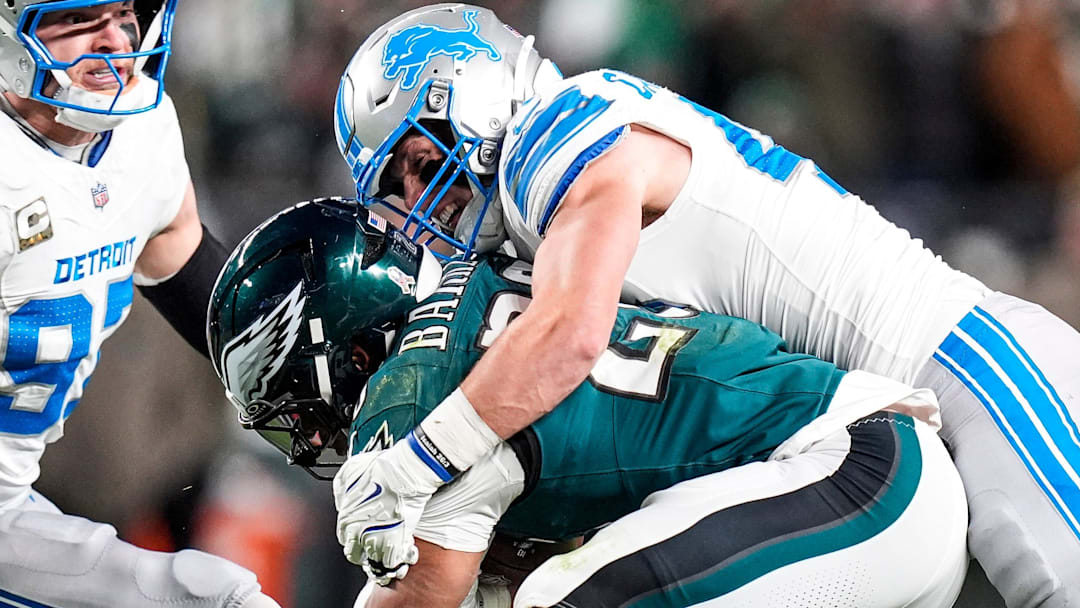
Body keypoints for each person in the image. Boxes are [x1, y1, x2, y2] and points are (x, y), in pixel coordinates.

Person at [331, 4, 1080, 607]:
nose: (418, 202)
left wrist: (420, 458)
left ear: (481, 98)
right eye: (395, 187)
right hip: (859, 450)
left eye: (421, 163)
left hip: (976, 366)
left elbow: (574, 335)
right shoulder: (535, 222)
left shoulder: (555, 133)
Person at [205, 198, 968, 608]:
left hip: (851, 481)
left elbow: (422, 599)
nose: (308, 436)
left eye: (299, 409)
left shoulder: (406, 393)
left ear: (348, 350)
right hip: (869, 495)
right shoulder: (486, 281)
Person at [0, 1, 277, 606]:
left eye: (124, 11)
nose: (115, 38)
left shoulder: (142, 136)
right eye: (77, 19)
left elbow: (196, 280)